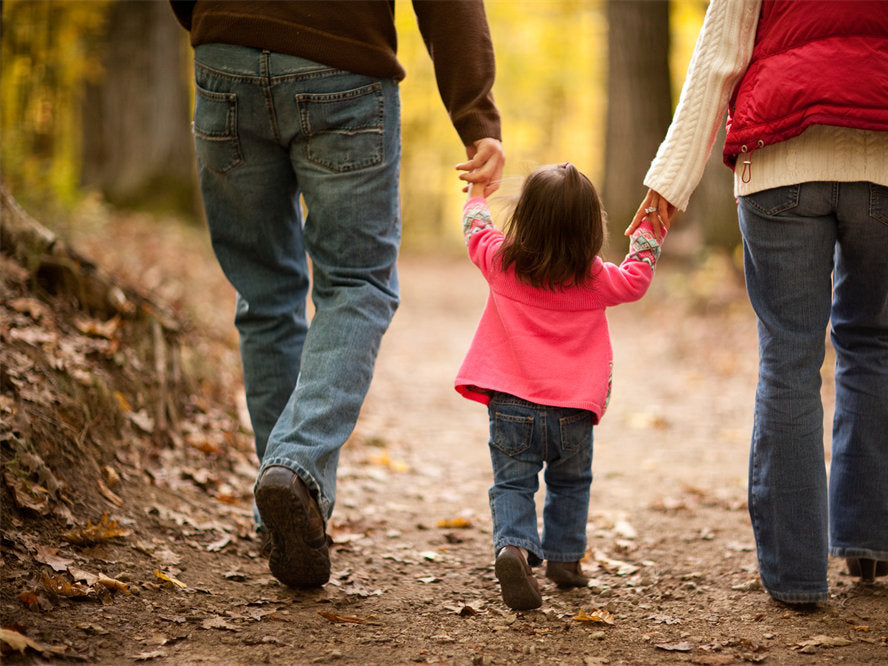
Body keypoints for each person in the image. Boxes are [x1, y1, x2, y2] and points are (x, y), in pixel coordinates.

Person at [628, 0, 888, 605]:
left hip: (781, 149)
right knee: (870, 338)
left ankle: (795, 577)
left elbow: (720, 55)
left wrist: (669, 184)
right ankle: (868, 544)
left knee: (789, 357)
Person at [168, 1, 505, 588]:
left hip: (225, 56)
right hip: (341, 67)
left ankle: (280, 511)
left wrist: (218, 21)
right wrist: (476, 118)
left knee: (266, 295)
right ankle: (295, 468)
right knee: (357, 283)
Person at [456, 163, 665, 609]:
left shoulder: (500, 261)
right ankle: (565, 561)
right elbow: (637, 277)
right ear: (591, 228)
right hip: (573, 410)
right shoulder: (594, 278)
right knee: (571, 484)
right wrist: (651, 226)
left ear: (525, 217)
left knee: (513, 485)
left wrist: (477, 192)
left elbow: (476, 227)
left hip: (510, 406)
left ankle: (514, 548)